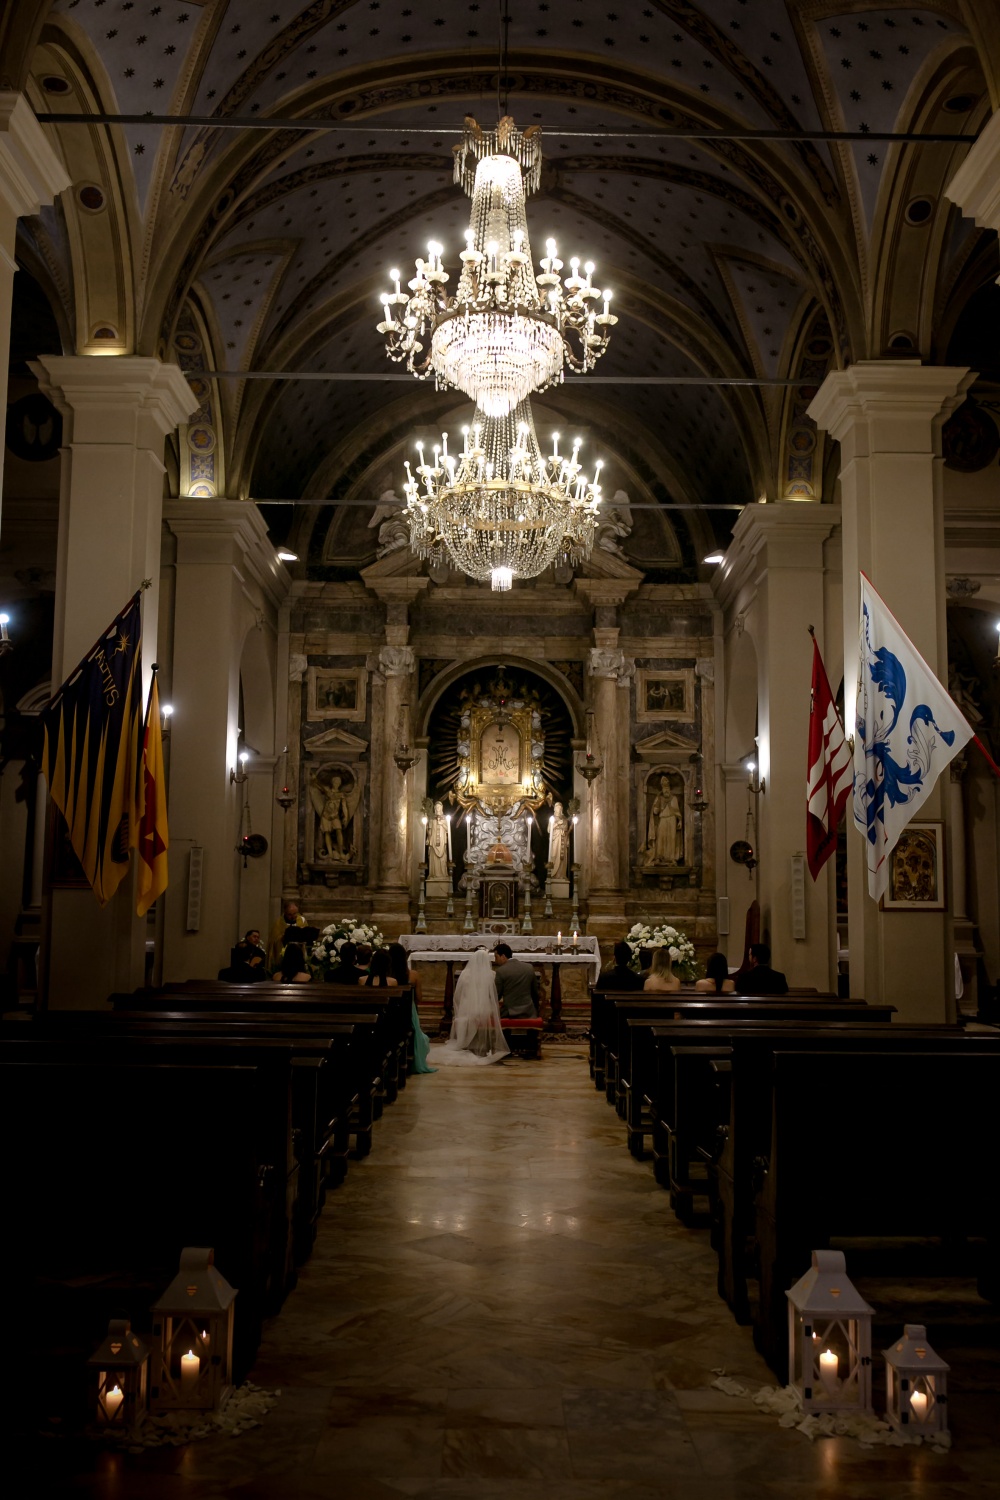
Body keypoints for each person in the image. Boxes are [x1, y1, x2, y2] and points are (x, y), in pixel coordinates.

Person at [430, 948, 510, 1066]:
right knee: (488, 1013)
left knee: (467, 1016)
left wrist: (459, 1009)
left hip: (467, 1007)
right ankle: (484, 1046)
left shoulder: (465, 974)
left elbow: (458, 994)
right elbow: (493, 995)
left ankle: (466, 1044)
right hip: (485, 1009)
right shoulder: (492, 975)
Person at [388, 942, 436, 1075]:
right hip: (407, 1012)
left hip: (389, 1013)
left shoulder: (386, 976)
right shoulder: (413, 975)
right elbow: (419, 998)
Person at [492, 942, 539, 1018]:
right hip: (529, 1011)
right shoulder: (529, 967)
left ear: (503, 956)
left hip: (510, 1013)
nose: (495, 960)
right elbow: (535, 993)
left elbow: (497, 995)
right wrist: (536, 1011)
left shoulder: (500, 971)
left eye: (496, 957)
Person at [268, 899, 306, 968]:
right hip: (284, 957)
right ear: (285, 913)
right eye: (290, 914)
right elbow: (273, 943)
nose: (293, 917)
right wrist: (283, 938)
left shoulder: (302, 921)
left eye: (295, 913)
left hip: (299, 955)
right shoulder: (278, 924)